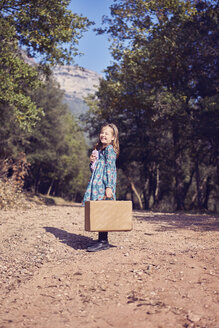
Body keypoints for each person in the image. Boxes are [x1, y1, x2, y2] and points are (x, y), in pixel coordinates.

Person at [83, 123, 119, 252]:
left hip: (104, 185)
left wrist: (109, 187)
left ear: (113, 137)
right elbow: (95, 170)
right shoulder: (100, 150)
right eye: (102, 132)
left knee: (103, 210)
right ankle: (101, 239)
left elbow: (110, 169)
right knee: (99, 209)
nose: (103, 135)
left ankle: (103, 241)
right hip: (97, 184)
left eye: (107, 133)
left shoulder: (109, 150)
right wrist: (92, 162)